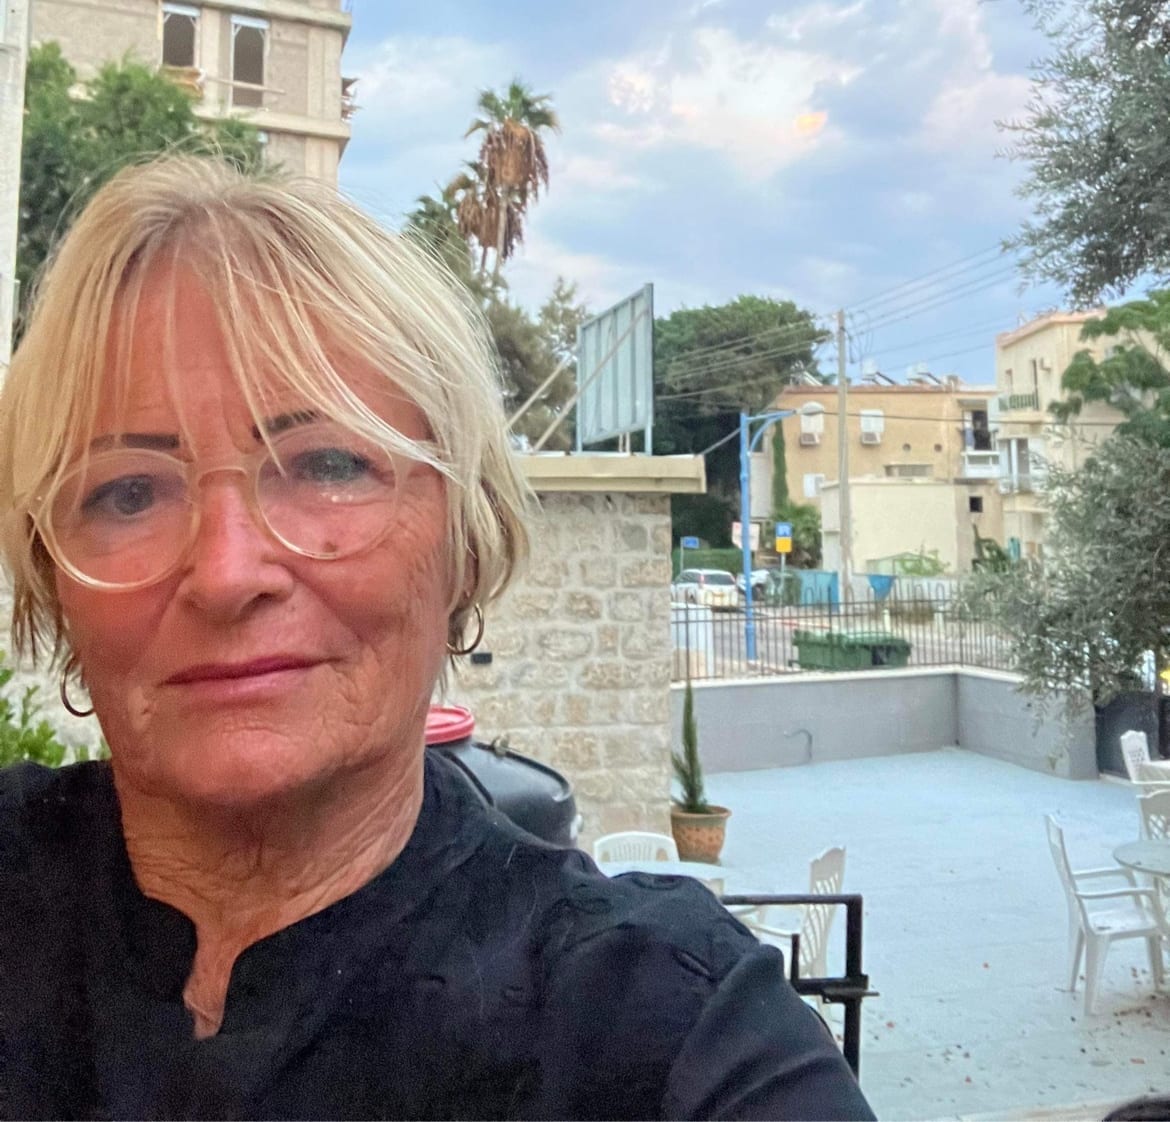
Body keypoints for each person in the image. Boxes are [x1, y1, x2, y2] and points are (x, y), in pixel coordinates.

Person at [0, 156, 874, 1120]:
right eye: (128, 492)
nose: (226, 571)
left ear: (465, 541)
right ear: (52, 579)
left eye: (328, 465)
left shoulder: (670, 1034)